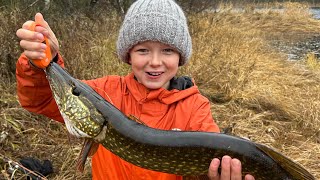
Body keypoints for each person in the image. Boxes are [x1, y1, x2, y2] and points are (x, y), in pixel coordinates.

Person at [15, 0, 255, 179]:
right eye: (143, 50)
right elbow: (41, 99)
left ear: (180, 57)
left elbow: (206, 166)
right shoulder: (105, 92)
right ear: (128, 55)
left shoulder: (194, 108)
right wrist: (43, 64)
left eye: (167, 51)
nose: (155, 61)